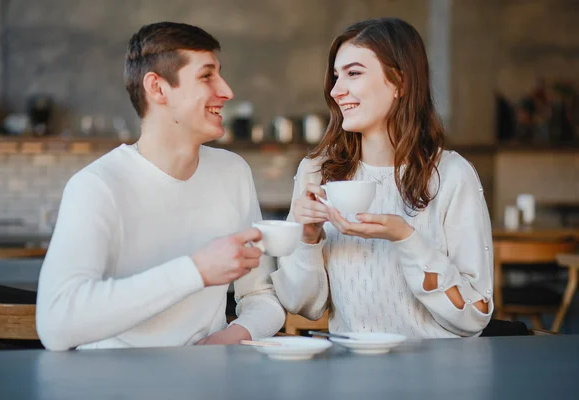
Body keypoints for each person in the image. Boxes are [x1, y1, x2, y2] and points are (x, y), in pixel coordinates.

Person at [36, 22, 285, 351]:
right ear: (157, 88)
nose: (226, 91)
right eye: (207, 76)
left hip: (208, 381)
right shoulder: (96, 186)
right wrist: (196, 270)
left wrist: (228, 338)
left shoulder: (233, 172)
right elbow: (56, 324)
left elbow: (261, 297)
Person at [271, 18, 493, 338]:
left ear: (399, 83)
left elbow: (475, 315)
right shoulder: (318, 172)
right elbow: (301, 305)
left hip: (435, 376)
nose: (336, 91)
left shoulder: (451, 175)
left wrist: (405, 238)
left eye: (354, 73)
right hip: (351, 377)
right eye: (336, 76)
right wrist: (308, 238)